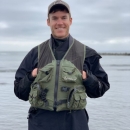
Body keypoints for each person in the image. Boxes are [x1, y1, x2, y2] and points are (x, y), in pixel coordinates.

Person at [14, 0, 110, 130]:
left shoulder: (87, 53)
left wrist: (87, 77)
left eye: (64, 17)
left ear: (70, 20)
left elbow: (100, 89)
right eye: (54, 18)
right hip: (40, 122)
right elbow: (19, 92)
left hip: (75, 122)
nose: (59, 22)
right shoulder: (35, 53)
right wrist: (31, 75)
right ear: (48, 22)